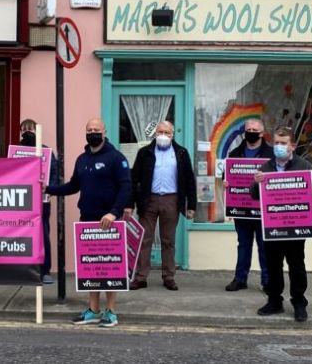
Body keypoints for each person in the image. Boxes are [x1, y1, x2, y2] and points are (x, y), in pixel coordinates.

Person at [45, 117, 131, 328]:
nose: (93, 132)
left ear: (104, 132)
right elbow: (73, 185)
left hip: (108, 222)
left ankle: (111, 312)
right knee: (92, 269)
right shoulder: (82, 159)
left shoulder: (116, 157)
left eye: (96, 129)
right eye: (89, 129)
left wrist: (114, 212)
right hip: (87, 220)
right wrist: (48, 189)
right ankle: (93, 310)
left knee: (110, 269)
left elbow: (126, 187)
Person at [250, 126, 312, 322]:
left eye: (283, 143)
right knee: (273, 265)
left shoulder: (305, 166)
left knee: (297, 266)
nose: (279, 147)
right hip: (274, 226)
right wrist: (256, 183)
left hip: (296, 226)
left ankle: (299, 302)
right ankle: (275, 301)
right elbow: (254, 196)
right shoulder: (266, 168)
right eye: (276, 143)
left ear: (292, 145)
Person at [129, 120, 196, 291]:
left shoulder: (181, 152)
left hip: (171, 200)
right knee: (145, 240)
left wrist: (191, 206)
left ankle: (169, 277)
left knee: (168, 241)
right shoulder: (144, 152)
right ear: (155, 133)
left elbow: (189, 180)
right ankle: (141, 277)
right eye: (160, 132)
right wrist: (129, 204)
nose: (163, 136)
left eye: (167, 133)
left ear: (173, 134)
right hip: (148, 200)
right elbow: (133, 179)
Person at [224, 118, 272, 292]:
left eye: (255, 129)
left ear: (262, 133)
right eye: (248, 129)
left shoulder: (271, 154)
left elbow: (277, 176)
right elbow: (226, 176)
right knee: (243, 244)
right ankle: (240, 279)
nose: (251, 131)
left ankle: (267, 281)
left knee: (264, 245)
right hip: (241, 208)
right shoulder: (235, 154)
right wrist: (226, 183)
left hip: (263, 209)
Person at [18, 118, 59, 284]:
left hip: (42, 201)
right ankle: (23, 270)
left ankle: (45, 270)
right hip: (21, 202)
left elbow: (55, 173)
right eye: (24, 129)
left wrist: (50, 188)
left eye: (31, 129)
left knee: (43, 235)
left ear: (37, 131)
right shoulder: (16, 151)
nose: (27, 131)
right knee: (21, 236)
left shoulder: (46, 152)